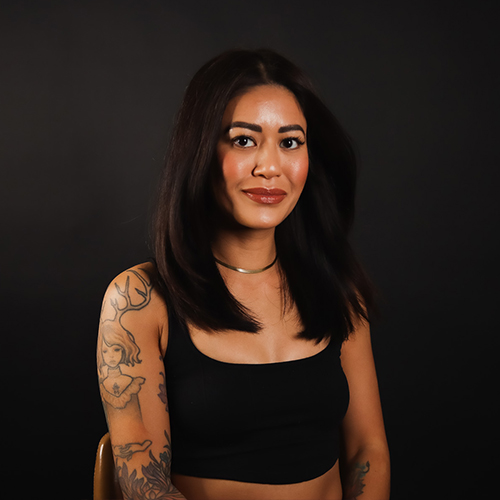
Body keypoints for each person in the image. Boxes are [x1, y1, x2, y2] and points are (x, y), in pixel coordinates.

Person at [97, 48, 390, 500]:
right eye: (243, 140)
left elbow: (366, 451)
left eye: (290, 141)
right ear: (200, 151)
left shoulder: (339, 290)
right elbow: (144, 485)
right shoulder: (139, 299)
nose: (269, 167)